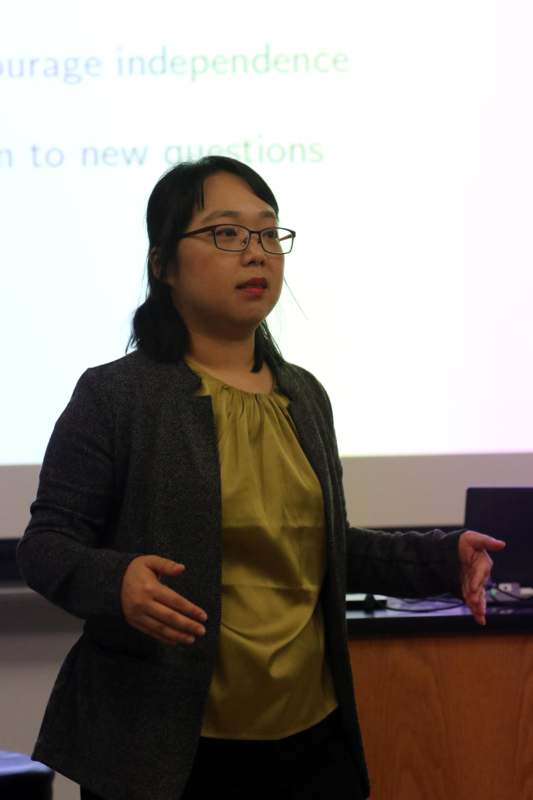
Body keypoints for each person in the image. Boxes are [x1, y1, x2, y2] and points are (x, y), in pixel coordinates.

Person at [17, 156, 505, 800]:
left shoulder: (303, 396)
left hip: (312, 739)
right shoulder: (118, 395)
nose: (256, 253)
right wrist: (118, 582)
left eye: (268, 234)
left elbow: (327, 552)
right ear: (163, 264)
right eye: (226, 233)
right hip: (168, 750)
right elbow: (45, 545)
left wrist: (443, 554)